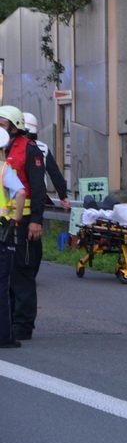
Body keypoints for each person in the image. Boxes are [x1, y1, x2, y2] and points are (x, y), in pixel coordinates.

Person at [0, 106, 47, 342]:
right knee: (6, 273)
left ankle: (23, 324)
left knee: (23, 272)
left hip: (26, 221)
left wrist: (36, 221)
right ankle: (8, 321)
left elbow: (38, 189)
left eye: (3, 122)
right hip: (6, 222)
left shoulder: (29, 150)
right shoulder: (4, 149)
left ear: (15, 125)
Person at [0, 127, 26, 348]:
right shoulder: (4, 169)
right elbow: (20, 192)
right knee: (2, 284)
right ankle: (4, 336)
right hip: (2, 232)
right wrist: (16, 218)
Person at [23, 112, 70, 210]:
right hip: (40, 197)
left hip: (20, 197)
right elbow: (54, 173)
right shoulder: (43, 147)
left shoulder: (13, 148)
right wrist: (63, 196)